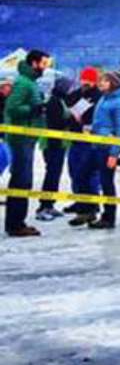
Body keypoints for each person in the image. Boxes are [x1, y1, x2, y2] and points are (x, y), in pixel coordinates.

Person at [71, 70, 120, 230]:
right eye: (100, 81)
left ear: (113, 83)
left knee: (106, 182)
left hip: (107, 148)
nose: (100, 83)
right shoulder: (104, 98)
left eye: (104, 81)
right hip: (95, 144)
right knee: (81, 175)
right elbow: (101, 122)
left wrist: (115, 153)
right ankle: (88, 209)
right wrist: (91, 128)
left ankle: (109, 217)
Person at [4, 50, 51, 237]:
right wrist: (35, 108)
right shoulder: (24, 83)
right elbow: (12, 108)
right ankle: (16, 224)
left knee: (23, 180)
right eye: (43, 63)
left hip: (28, 137)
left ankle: (16, 222)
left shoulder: (29, 82)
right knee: (21, 180)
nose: (45, 67)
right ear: (34, 63)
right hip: (21, 138)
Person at [63, 67, 101, 215]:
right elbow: (68, 104)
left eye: (89, 81)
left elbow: (96, 115)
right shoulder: (77, 94)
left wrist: (84, 118)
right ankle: (79, 200)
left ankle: (92, 202)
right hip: (75, 136)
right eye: (84, 80)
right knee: (74, 170)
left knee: (90, 172)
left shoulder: (99, 96)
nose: (86, 83)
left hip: (90, 138)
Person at [34, 76, 71, 221]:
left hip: (58, 143)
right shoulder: (54, 102)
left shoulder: (59, 100)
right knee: (51, 174)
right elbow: (55, 123)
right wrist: (70, 120)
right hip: (52, 143)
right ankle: (43, 206)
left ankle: (49, 204)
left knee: (55, 174)